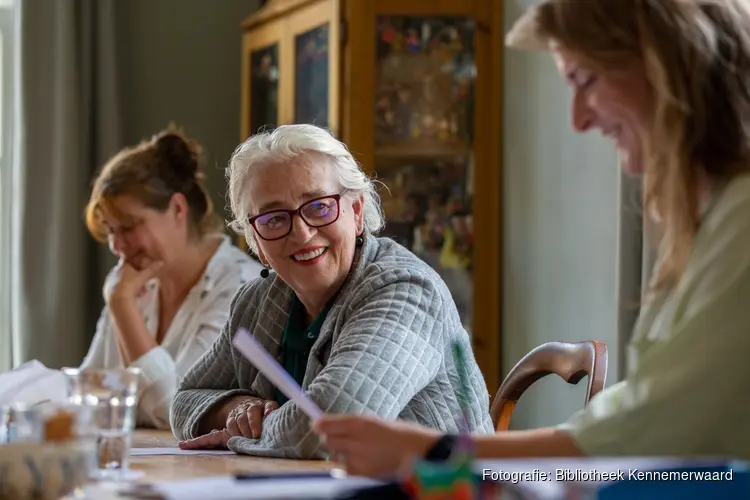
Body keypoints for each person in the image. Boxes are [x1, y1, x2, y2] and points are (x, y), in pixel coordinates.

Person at [314, 0, 750, 476]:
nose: (579, 119)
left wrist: (435, 453)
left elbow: (656, 429)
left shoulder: (742, 218)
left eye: (586, 81)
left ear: (666, 65)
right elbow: (647, 407)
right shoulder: (714, 215)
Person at [170, 124, 494, 459]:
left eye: (319, 206)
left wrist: (242, 435)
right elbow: (184, 400)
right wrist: (236, 409)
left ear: (356, 213)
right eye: (273, 218)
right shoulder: (257, 301)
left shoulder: (407, 291)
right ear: (256, 242)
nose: (302, 233)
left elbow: (333, 423)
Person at [81, 126, 263, 429]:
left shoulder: (241, 287)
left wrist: (123, 307)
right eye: (111, 230)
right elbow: (88, 391)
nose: (116, 245)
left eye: (128, 227)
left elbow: (176, 408)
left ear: (177, 208)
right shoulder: (132, 280)